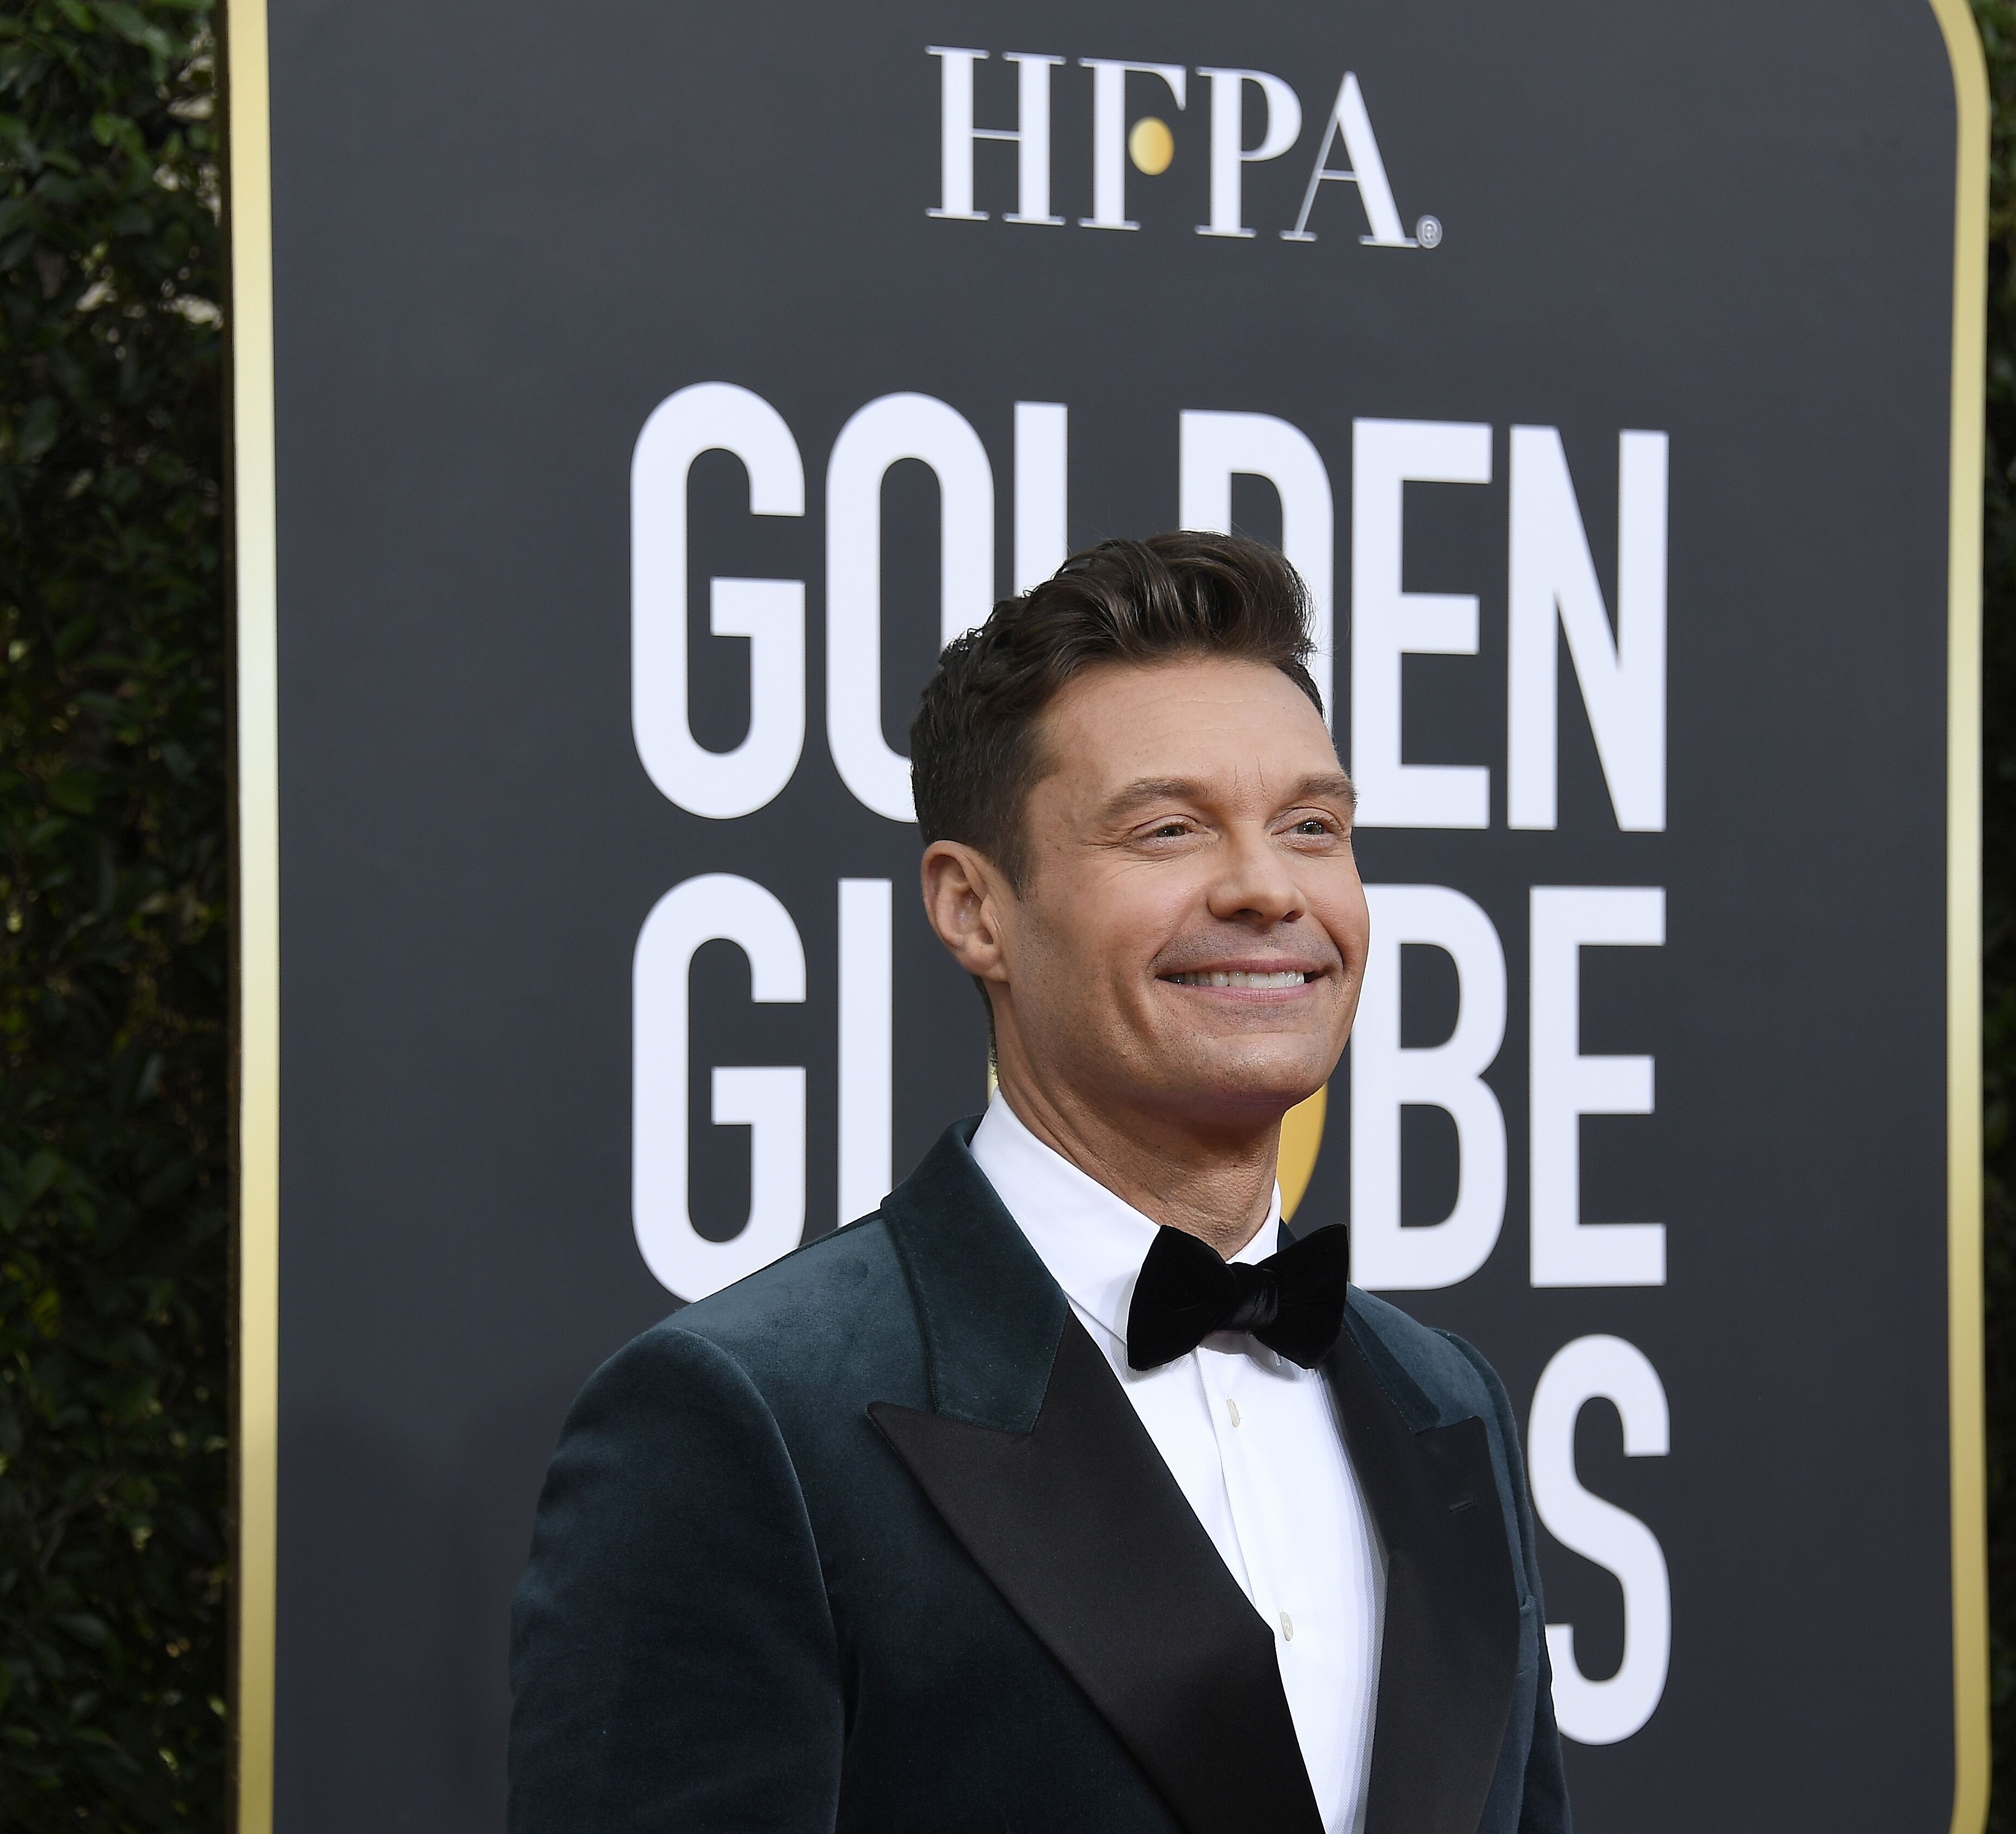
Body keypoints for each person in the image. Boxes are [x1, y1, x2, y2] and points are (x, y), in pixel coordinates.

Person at [508, 532, 1570, 1834]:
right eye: (1169, 828)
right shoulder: (751, 1416)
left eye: (1313, 826)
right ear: (973, 909)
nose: (1264, 887)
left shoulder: (1444, 1398)